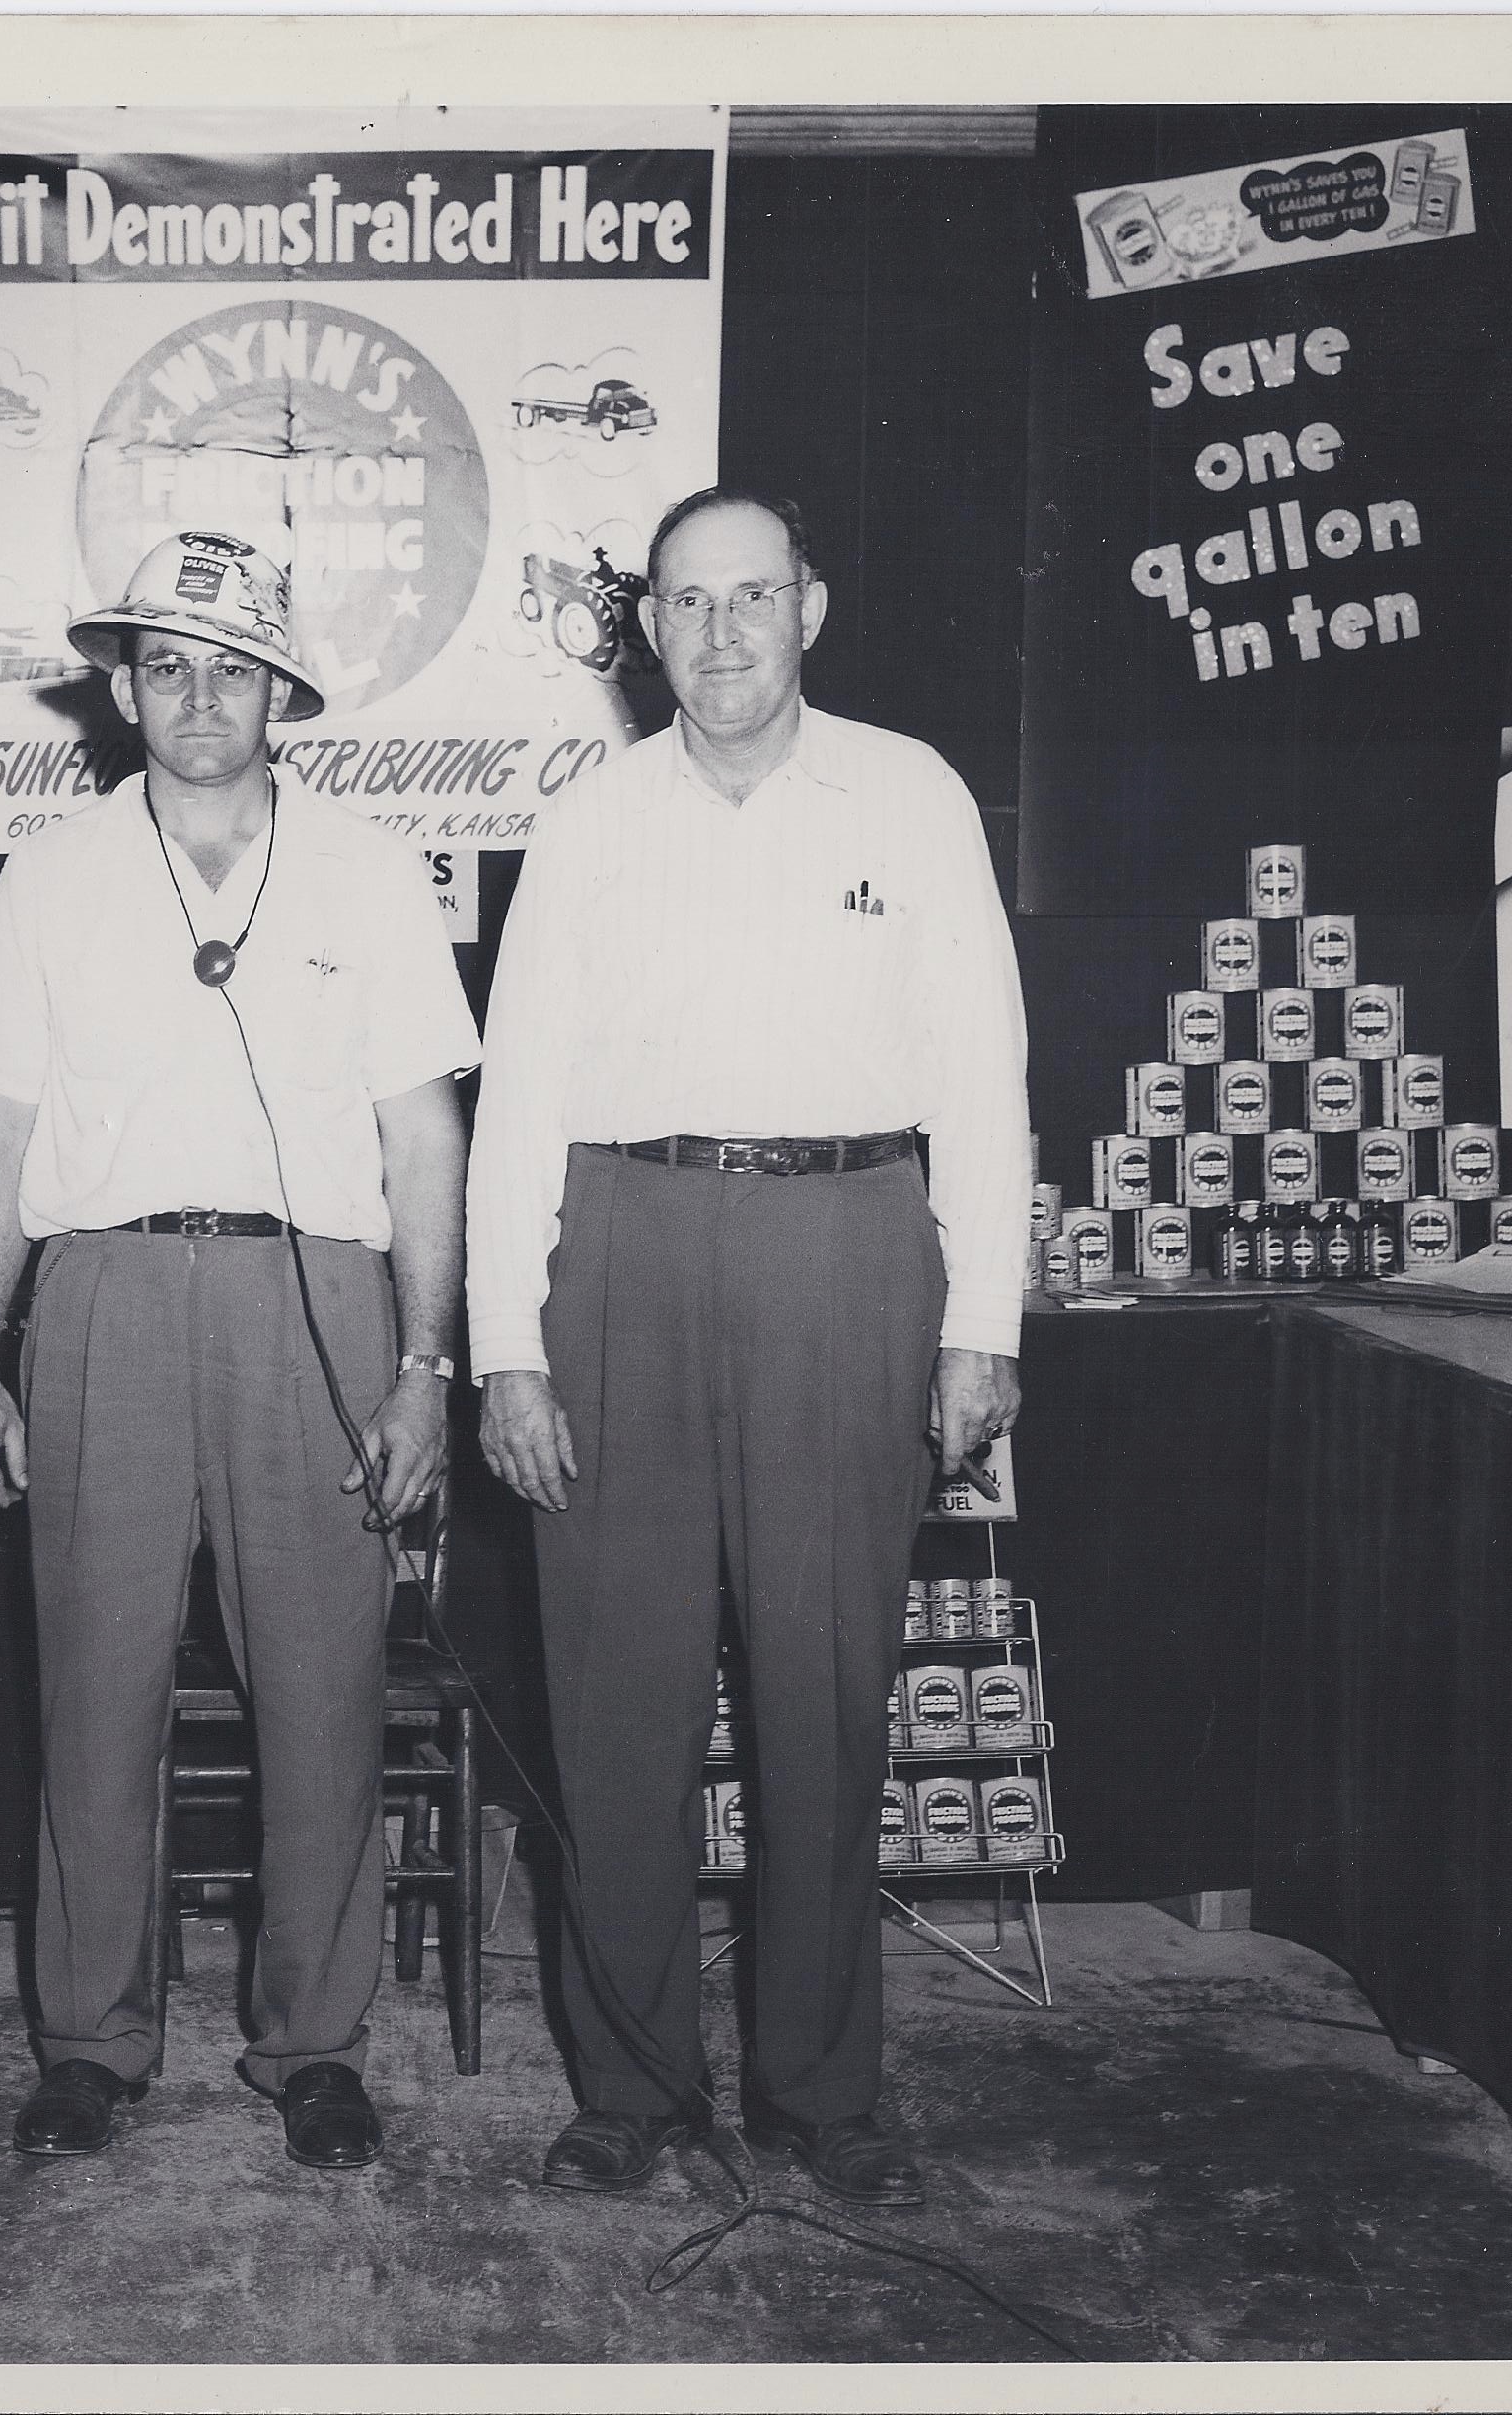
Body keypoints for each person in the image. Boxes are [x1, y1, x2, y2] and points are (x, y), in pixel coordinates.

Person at [466, 486, 1029, 2208]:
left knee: (825, 1698)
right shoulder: (587, 821)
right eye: (687, 602)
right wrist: (507, 1346)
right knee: (616, 1703)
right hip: (622, 1251)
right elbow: (520, 1098)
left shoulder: (911, 795)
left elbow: (982, 1073)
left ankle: (822, 2090)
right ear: (647, 627)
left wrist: (979, 1325)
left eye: (752, 596)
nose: (720, 633)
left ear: (811, 607)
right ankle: (631, 2088)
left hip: (845, 1246)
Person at [0, 531, 478, 2172]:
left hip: (310, 1298)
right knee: (94, 1691)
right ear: (121, 688)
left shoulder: (373, 871)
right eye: (165, 665)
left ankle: (314, 2044)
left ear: (280, 693)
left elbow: (423, 1135)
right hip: (103, 1297)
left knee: (320, 1693)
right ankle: (90, 2042)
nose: (197, 697)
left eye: (232, 668)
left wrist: (425, 1364)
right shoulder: (51, 872)